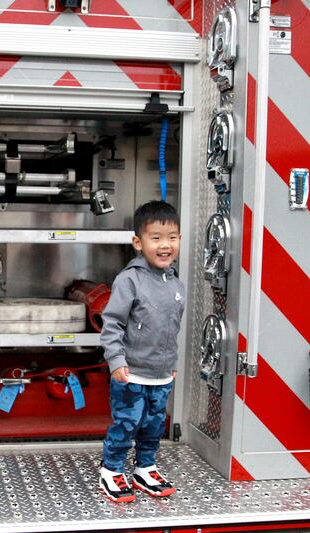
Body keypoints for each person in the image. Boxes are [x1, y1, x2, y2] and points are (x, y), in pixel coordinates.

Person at [98, 201, 185, 503]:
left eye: (172, 238)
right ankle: (111, 470)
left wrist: (171, 362)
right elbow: (112, 323)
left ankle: (145, 467)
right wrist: (116, 361)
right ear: (138, 242)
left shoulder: (175, 283)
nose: (165, 245)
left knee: (153, 425)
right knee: (127, 423)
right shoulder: (129, 280)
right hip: (131, 373)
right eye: (156, 238)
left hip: (161, 374)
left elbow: (171, 328)